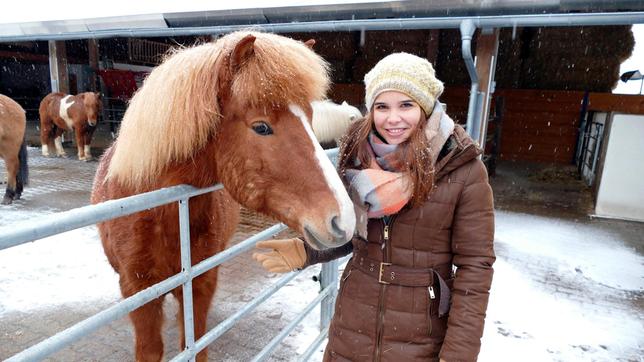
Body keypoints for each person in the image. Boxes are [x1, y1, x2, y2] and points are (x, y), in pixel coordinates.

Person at [253, 52, 495, 362]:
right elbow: (355, 232)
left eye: (406, 105)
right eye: (382, 107)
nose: (393, 119)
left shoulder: (462, 169)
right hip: (352, 328)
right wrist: (307, 251)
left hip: (420, 340)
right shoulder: (357, 159)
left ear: (425, 106)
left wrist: (459, 354)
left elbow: (475, 268)